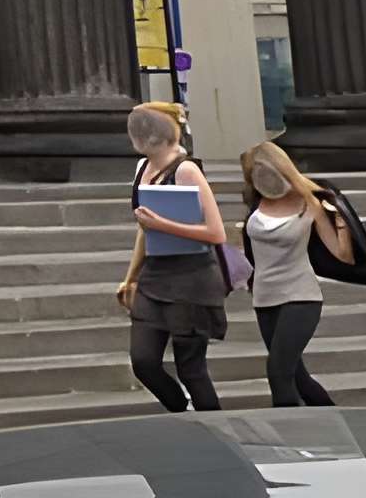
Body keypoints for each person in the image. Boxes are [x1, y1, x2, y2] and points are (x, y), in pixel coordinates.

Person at [114, 101, 228, 411]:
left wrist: (162, 224)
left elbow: (217, 233)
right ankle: (182, 410)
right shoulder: (142, 168)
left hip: (191, 278)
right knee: (144, 361)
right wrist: (130, 277)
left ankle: (215, 430)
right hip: (155, 275)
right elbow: (144, 228)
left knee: (192, 369)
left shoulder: (186, 169)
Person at [238, 139, 351, 406]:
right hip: (265, 299)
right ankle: (340, 423)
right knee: (297, 377)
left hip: (300, 297)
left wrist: (342, 224)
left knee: (277, 372)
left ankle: (290, 439)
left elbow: (341, 255)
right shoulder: (257, 202)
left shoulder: (309, 203)